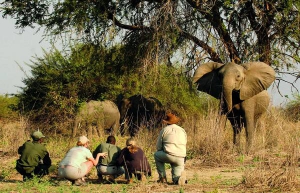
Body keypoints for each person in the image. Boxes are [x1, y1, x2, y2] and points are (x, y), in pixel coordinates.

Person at [154, 113, 187, 185]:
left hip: (169, 155)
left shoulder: (164, 130)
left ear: (166, 122)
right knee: (176, 175)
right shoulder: (182, 130)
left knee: (156, 155)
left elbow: (158, 147)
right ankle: (178, 179)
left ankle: (162, 178)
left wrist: (164, 149)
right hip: (181, 157)